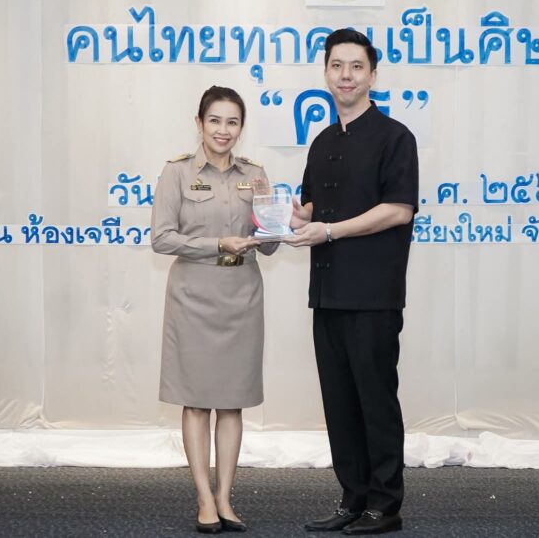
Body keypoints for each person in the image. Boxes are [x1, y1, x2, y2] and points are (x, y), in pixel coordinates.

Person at [287, 29, 418, 535]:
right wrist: (298, 218)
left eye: (356, 67)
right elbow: (314, 207)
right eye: (337, 66)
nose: (346, 76)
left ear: (372, 75)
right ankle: (352, 498)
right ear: (325, 73)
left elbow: (398, 209)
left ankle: (385, 505)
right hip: (327, 291)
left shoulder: (395, 137)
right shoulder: (322, 142)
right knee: (339, 402)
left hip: (373, 293)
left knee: (375, 401)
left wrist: (329, 229)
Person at [151, 85, 277, 534]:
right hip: (194, 296)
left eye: (233, 122)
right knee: (197, 402)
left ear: (241, 127)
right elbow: (161, 238)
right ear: (199, 123)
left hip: (242, 295)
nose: (224, 130)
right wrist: (217, 244)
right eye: (215, 121)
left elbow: (272, 244)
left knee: (232, 403)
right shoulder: (177, 173)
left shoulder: (256, 174)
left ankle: (225, 497)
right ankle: (204, 498)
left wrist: (278, 217)